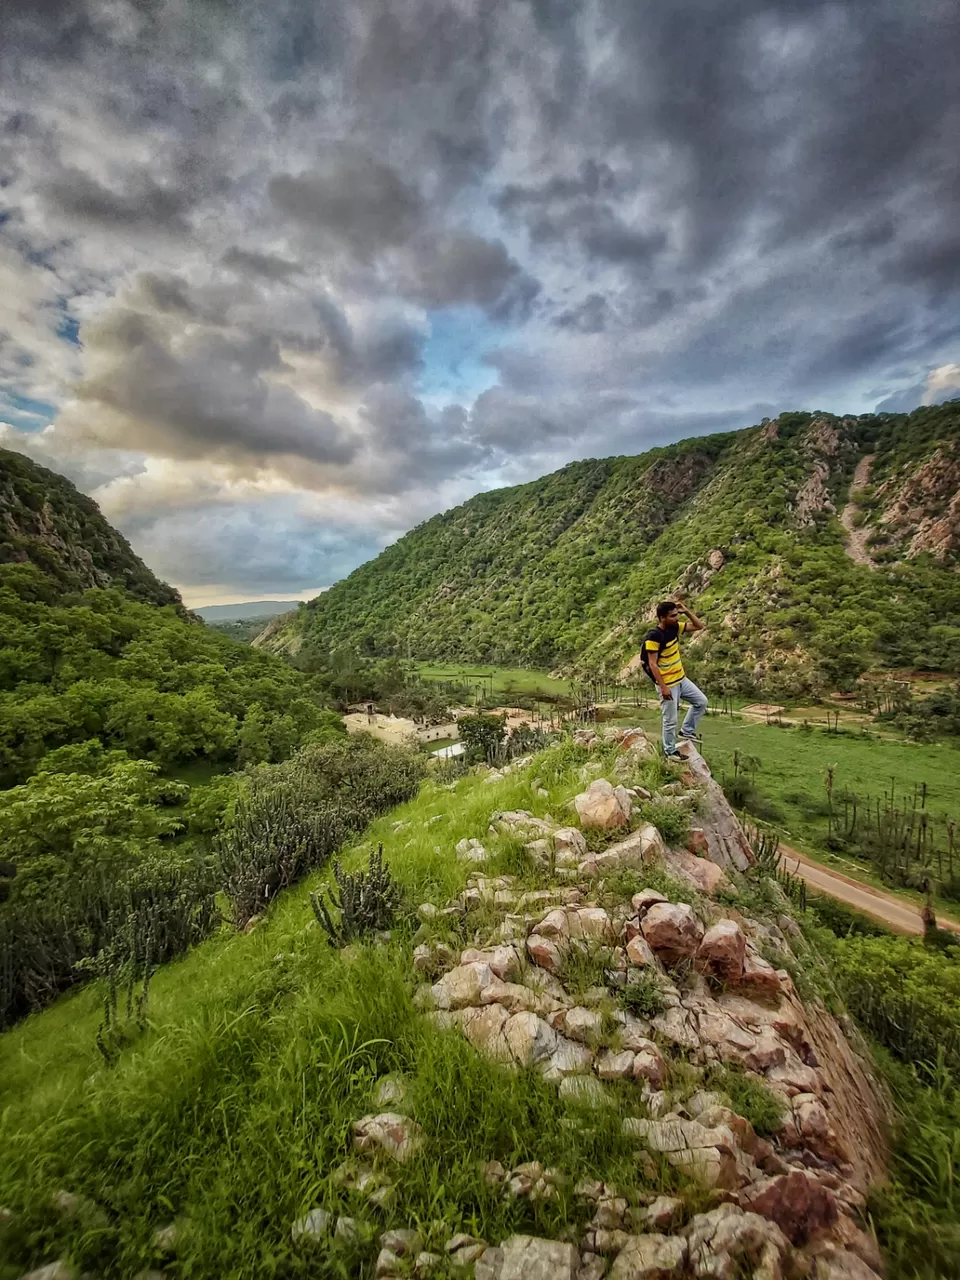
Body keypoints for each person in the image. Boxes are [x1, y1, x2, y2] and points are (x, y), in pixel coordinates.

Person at [641, 597, 708, 759]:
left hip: (681, 679)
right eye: (672, 616)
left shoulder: (675, 628)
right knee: (670, 720)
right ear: (662, 618)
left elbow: (699, 626)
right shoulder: (654, 636)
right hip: (668, 684)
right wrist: (663, 687)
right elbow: (652, 664)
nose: (676, 618)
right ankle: (669, 751)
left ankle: (686, 731)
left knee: (701, 702)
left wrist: (687, 611)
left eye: (677, 615)